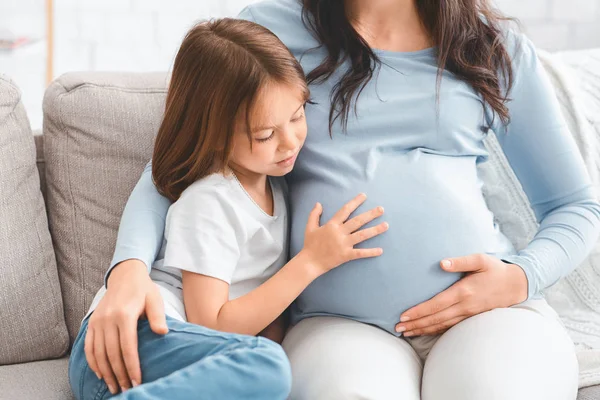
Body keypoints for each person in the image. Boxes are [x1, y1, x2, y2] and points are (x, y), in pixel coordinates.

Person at [84, 1, 600, 399]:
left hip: (487, 315)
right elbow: (176, 162)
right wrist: (126, 270)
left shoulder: (492, 46)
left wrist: (519, 276)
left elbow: (577, 207)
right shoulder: (270, 30)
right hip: (334, 325)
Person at [68, 17, 388, 400]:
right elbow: (211, 322)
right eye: (266, 135)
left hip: (168, 364)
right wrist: (311, 263)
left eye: (299, 115)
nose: (289, 142)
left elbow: (253, 312)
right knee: (266, 365)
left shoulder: (274, 184)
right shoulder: (211, 200)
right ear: (215, 136)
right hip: (124, 342)